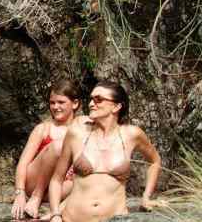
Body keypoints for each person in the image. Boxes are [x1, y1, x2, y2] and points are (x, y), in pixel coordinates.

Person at [46, 81, 163, 222]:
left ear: (116, 106)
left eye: (98, 99)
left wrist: (146, 196)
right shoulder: (76, 132)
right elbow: (56, 180)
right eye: (91, 99)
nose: (91, 104)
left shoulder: (132, 134)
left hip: (115, 218)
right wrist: (55, 214)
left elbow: (155, 161)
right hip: (72, 218)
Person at [11, 80, 87, 218]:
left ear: (75, 103)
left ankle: (54, 208)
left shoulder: (82, 127)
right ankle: (36, 197)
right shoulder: (43, 129)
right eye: (52, 103)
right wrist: (19, 193)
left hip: (60, 186)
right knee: (59, 146)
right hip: (34, 183)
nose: (55, 107)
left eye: (61, 102)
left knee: (82, 182)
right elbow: (22, 163)